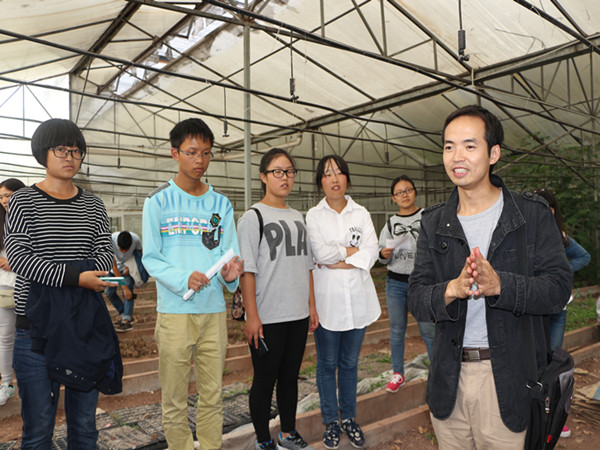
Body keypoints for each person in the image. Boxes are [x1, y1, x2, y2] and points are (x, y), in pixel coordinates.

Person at [407, 105, 572, 449]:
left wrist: (501, 286)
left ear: (493, 153)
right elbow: (417, 298)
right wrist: (451, 289)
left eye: (469, 145)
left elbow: (558, 289)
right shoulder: (434, 222)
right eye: (449, 146)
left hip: (509, 379)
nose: (457, 156)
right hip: (449, 379)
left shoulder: (530, 216)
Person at [5, 119, 123, 448]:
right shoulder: (23, 201)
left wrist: (77, 275)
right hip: (36, 332)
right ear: (43, 153)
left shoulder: (93, 205)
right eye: (61, 149)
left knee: (84, 426)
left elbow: (104, 253)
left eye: (76, 150)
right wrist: (78, 278)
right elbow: (20, 258)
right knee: (38, 428)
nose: (70, 156)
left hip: (83, 326)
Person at [142, 117, 244, 450]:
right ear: (175, 153)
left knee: (212, 394)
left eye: (206, 153)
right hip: (175, 311)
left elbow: (229, 256)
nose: (200, 160)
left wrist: (230, 276)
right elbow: (151, 257)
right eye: (191, 152)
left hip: (212, 311)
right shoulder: (158, 201)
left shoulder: (221, 204)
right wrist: (182, 278)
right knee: (174, 397)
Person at [237, 148, 319, 450]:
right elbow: (247, 270)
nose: (285, 177)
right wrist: (252, 316)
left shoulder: (298, 217)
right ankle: (263, 440)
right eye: (278, 172)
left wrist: (311, 306)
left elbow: (307, 265)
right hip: (268, 316)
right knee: (264, 379)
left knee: (289, 377)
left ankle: (287, 432)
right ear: (263, 176)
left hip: (297, 314)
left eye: (290, 172)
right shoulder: (252, 218)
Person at [306, 155, 381, 449]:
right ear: (320, 182)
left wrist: (335, 258)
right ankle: (331, 422)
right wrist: (350, 252)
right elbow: (319, 254)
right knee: (326, 364)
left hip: (358, 302)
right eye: (327, 174)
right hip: (327, 304)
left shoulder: (360, 213)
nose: (334, 179)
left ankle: (349, 417)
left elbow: (371, 252)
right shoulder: (314, 216)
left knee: (349, 363)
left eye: (339, 173)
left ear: (347, 178)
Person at [533, 187, 590, 439]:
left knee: (553, 362)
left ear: (554, 210)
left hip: (558, 310)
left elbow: (584, 257)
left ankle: (553, 417)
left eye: (547, 207)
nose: (543, 212)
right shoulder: (526, 236)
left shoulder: (562, 238)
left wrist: (564, 268)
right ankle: (532, 415)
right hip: (534, 310)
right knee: (534, 361)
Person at [378, 175, 435, 393]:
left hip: (422, 283)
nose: (404, 195)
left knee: (428, 330)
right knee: (396, 330)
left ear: (415, 192)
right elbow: (382, 256)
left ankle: (437, 371)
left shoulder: (427, 217)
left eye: (408, 190)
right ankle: (398, 373)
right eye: (399, 192)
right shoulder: (390, 224)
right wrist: (383, 254)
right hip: (396, 283)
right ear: (393, 198)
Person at [0, 178, 25, 406]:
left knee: (31, 335)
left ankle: (32, 381)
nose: (4, 200)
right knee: (6, 337)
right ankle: (7, 384)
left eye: (8, 195)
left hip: (31, 285)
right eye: (1, 197)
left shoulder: (32, 219)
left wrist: (15, 262)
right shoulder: (1, 221)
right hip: (6, 286)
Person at [105, 230, 149, 332]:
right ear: (117, 244)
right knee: (109, 292)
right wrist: (123, 287)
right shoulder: (110, 241)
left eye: (127, 250)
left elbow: (140, 253)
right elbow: (114, 267)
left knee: (128, 290)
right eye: (121, 249)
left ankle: (127, 320)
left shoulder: (136, 239)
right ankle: (123, 314)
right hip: (113, 269)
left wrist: (132, 266)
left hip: (126, 268)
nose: (124, 252)